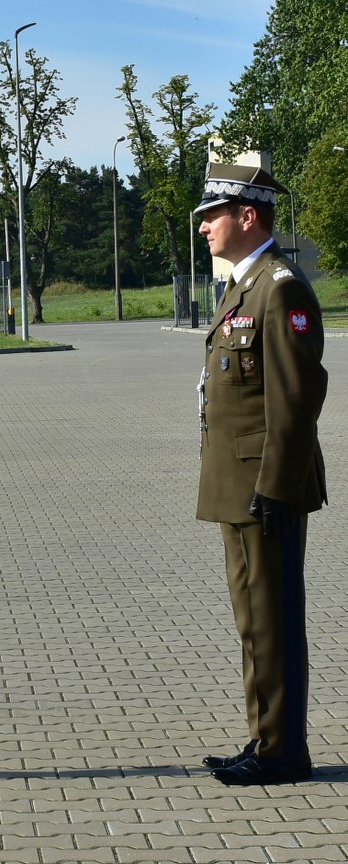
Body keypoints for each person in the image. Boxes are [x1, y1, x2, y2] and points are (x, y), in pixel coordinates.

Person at [193, 164, 328, 786]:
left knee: (271, 616)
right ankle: (265, 737)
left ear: (248, 217)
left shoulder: (280, 287)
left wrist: (276, 485)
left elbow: (294, 400)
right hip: (237, 483)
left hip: (263, 486)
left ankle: (281, 751)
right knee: (254, 617)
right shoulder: (243, 286)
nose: (203, 229)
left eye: (212, 216)